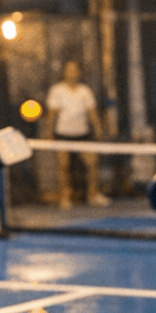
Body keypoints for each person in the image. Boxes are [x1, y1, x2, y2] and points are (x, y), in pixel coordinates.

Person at [42, 59, 108, 208]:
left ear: (79, 73)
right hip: (63, 134)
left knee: (92, 162)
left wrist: (98, 129)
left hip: (82, 134)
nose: (72, 73)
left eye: (74, 70)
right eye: (68, 70)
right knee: (63, 165)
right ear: (64, 73)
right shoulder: (57, 90)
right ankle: (65, 198)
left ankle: (93, 195)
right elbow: (52, 114)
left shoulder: (85, 90)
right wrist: (48, 132)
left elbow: (92, 112)